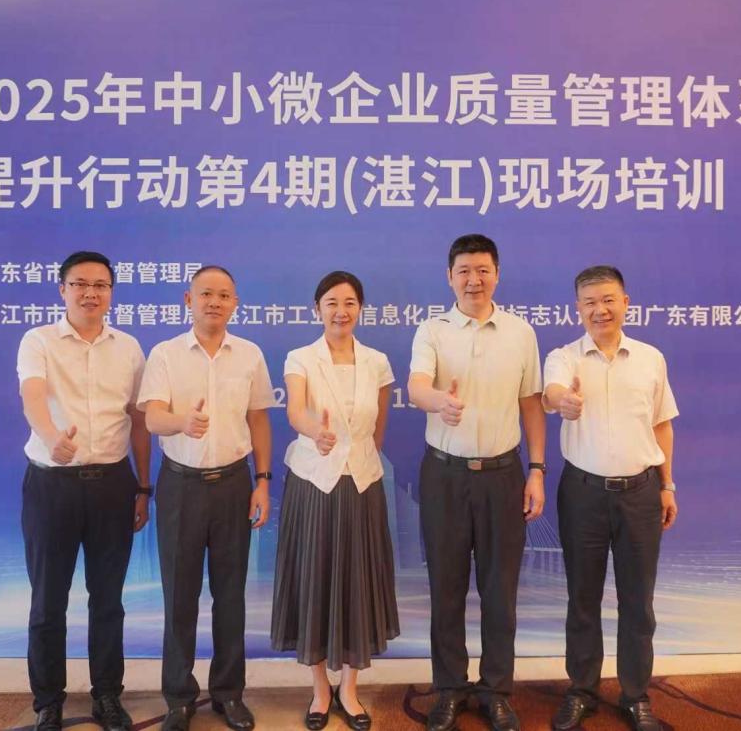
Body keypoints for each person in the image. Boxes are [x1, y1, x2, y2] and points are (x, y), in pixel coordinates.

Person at [407, 234, 547, 731]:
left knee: (499, 589)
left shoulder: (520, 332)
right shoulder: (433, 330)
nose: (474, 279)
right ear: (450, 277)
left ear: (497, 274)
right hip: (444, 475)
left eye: (483, 270)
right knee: (445, 587)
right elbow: (417, 386)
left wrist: (536, 470)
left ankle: (496, 690)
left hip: (503, 475)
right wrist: (439, 402)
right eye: (464, 271)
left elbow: (531, 403)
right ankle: (449, 688)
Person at [17, 250, 151, 731]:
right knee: (48, 602)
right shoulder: (38, 341)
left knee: (108, 600)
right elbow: (33, 396)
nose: (90, 293)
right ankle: (48, 702)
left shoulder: (129, 348)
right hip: (52, 485)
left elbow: (139, 421)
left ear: (111, 292)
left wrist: (143, 486)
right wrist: (52, 436)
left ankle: (107, 697)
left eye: (100, 285)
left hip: (113, 485)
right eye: (80, 284)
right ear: (63, 289)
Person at [138, 265, 275, 731]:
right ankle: (178, 698)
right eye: (205, 294)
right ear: (188, 300)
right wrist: (183, 423)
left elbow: (259, 419)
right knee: (180, 596)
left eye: (224, 295)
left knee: (230, 595)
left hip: (234, 484)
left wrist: (262, 481)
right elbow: (152, 418)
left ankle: (228, 694)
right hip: (181, 486)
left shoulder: (250, 354)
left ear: (235, 303)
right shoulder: (165, 354)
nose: (214, 302)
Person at [543, 266, 679, 731]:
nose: (599, 310)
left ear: (625, 303)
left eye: (608, 300)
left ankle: (636, 696)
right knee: (582, 598)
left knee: (638, 602)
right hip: (582, 495)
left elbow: (662, 424)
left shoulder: (650, 359)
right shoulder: (564, 357)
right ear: (577, 309)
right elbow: (552, 393)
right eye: (589, 302)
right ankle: (582, 691)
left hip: (641, 493)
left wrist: (667, 485)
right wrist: (563, 401)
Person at [271, 271, 401, 731]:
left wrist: (360, 457)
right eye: (331, 302)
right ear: (317, 309)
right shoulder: (301, 357)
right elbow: (295, 410)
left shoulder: (377, 362)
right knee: (315, 578)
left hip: (362, 482)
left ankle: (348, 687)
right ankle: (319, 689)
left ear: (360, 309)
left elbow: (379, 426)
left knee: (356, 581)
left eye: (349, 303)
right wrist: (316, 432)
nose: (340, 311)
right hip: (314, 481)